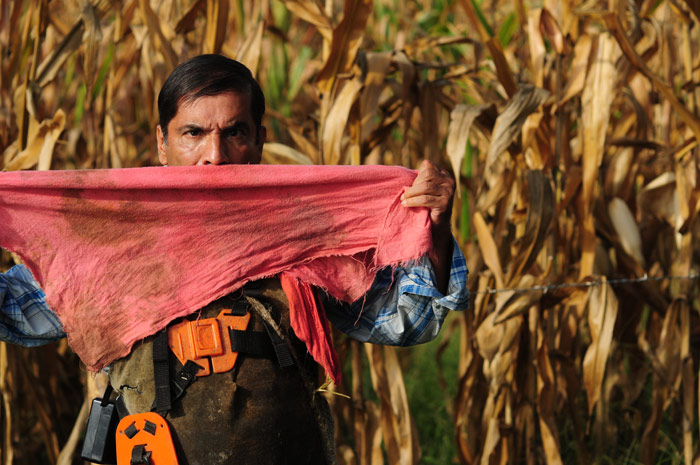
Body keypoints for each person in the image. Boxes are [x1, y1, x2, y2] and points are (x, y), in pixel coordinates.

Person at [0, 54, 468, 464]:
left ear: (259, 140)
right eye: (193, 133)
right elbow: (13, 311)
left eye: (234, 132)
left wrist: (437, 231)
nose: (215, 156)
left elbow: (410, 322)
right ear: (162, 143)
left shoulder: (305, 234)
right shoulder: (113, 244)